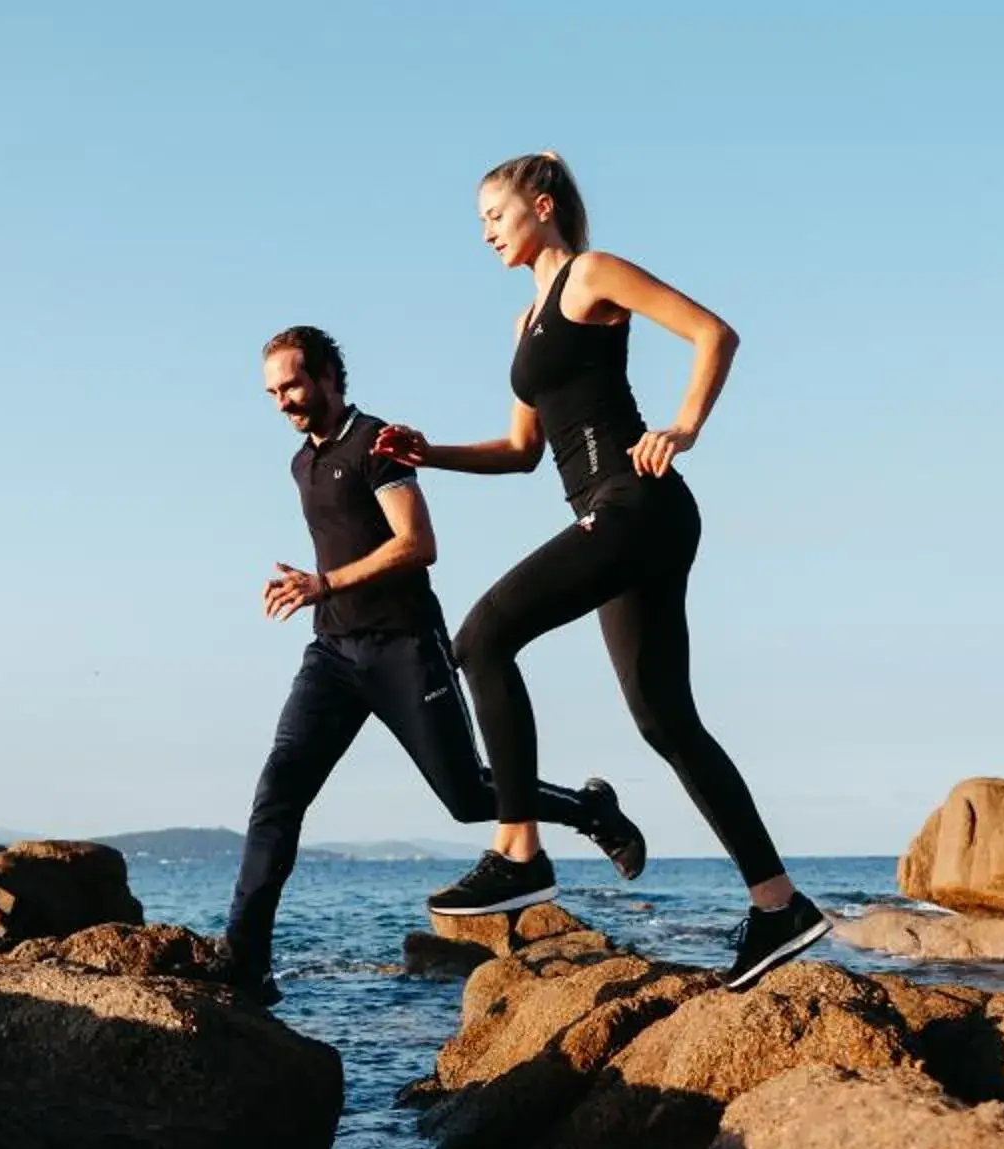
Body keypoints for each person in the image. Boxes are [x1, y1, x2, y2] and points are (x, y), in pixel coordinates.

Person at [371, 153, 828, 990]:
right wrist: (426, 453)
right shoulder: (525, 323)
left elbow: (713, 333)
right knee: (664, 720)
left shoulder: (593, 275)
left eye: (495, 216)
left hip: (637, 502)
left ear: (541, 208)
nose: (485, 232)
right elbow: (519, 453)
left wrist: (683, 427)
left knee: (482, 636)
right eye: (480, 221)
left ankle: (520, 849)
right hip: (613, 516)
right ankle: (779, 905)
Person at [208, 324, 646, 1005]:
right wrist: (320, 595)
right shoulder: (303, 462)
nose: (283, 402)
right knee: (278, 796)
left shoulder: (374, 443)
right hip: (332, 654)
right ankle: (246, 961)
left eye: (292, 385)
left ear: (328, 376)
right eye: (271, 391)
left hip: (403, 644)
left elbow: (417, 544)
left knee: (468, 794)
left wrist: (323, 583)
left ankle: (589, 809)